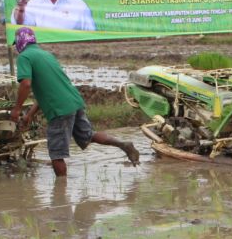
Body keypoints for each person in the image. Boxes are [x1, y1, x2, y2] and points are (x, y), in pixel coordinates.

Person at [8, 27, 137, 176]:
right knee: (88, 136)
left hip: (60, 109)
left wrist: (17, 109)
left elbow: (25, 84)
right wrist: (29, 114)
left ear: (20, 42)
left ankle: (61, 195)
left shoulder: (25, 57)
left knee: (56, 154)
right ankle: (123, 144)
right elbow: (48, 90)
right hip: (74, 101)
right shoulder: (46, 55)